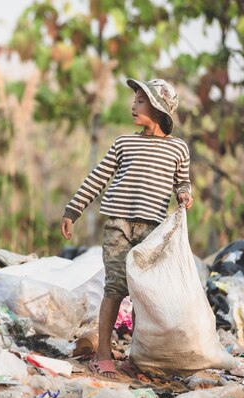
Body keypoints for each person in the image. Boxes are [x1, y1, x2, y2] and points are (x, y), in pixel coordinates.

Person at [60, 78, 194, 379]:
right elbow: (98, 178)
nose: (133, 105)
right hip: (118, 226)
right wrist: (73, 210)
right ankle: (104, 355)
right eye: (134, 99)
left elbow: (182, 182)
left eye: (141, 100)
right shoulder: (124, 143)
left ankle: (137, 356)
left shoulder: (178, 149)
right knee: (116, 287)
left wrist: (184, 194)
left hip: (153, 233)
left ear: (159, 109)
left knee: (143, 294)